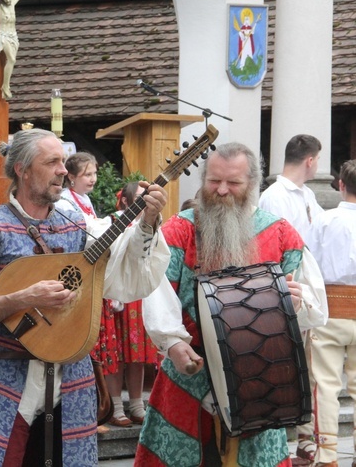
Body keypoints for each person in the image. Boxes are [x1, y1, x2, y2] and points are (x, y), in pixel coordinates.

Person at [0, 128, 171, 466]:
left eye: (64, 162)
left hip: (73, 379)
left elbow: (126, 275)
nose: (63, 170)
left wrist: (148, 223)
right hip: (9, 378)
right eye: (52, 162)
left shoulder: (81, 227)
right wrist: (21, 298)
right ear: (22, 169)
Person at [135, 142, 328, 467]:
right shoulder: (180, 229)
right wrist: (171, 342)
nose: (222, 190)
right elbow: (155, 287)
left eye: (233, 183)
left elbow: (315, 305)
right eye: (214, 181)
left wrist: (294, 304)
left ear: (252, 184)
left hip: (260, 385)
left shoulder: (280, 234)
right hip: (187, 377)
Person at [258, 133, 324, 463]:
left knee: (306, 368)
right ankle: (288, 434)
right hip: (283, 292)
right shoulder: (274, 196)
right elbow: (273, 250)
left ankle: (306, 438)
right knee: (285, 366)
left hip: (305, 289)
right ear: (310, 160)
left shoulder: (308, 194)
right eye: (317, 160)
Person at [54, 151, 116, 435]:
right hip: (75, 280)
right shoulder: (66, 202)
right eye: (87, 175)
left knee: (94, 348)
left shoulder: (86, 201)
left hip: (92, 279)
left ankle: (95, 411)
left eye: (94, 174)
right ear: (71, 177)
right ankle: (87, 415)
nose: (92, 179)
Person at [305, 159, 356, 467]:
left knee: (325, 384)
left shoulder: (324, 220)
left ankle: (328, 455)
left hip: (332, 307)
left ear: (340, 185)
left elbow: (308, 265)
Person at [103, 182, 160, 429]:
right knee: (115, 354)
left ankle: (137, 404)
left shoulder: (150, 223)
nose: (144, 201)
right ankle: (115, 406)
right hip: (116, 296)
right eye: (139, 198)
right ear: (126, 201)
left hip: (138, 296)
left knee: (136, 354)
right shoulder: (111, 221)